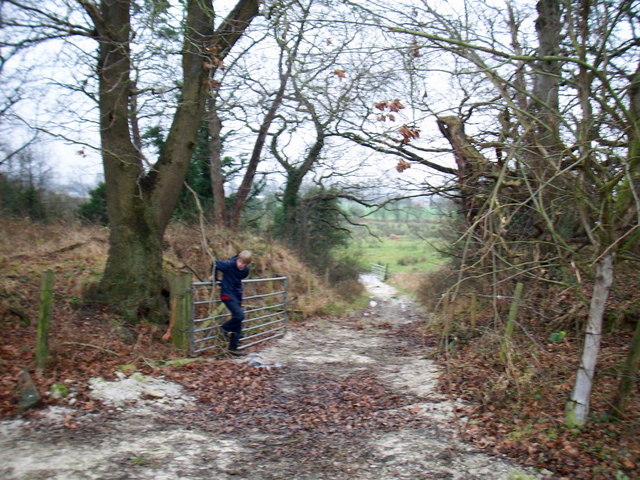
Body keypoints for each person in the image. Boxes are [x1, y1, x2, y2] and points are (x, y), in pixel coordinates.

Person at [214, 250, 252, 356]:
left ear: (247, 264)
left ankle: (233, 349)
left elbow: (239, 277)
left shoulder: (245, 271)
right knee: (239, 316)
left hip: (237, 295)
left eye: (243, 264)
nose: (240, 264)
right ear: (238, 259)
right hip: (227, 294)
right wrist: (215, 279)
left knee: (238, 324)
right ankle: (223, 329)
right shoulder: (229, 265)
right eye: (239, 261)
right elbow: (215, 263)